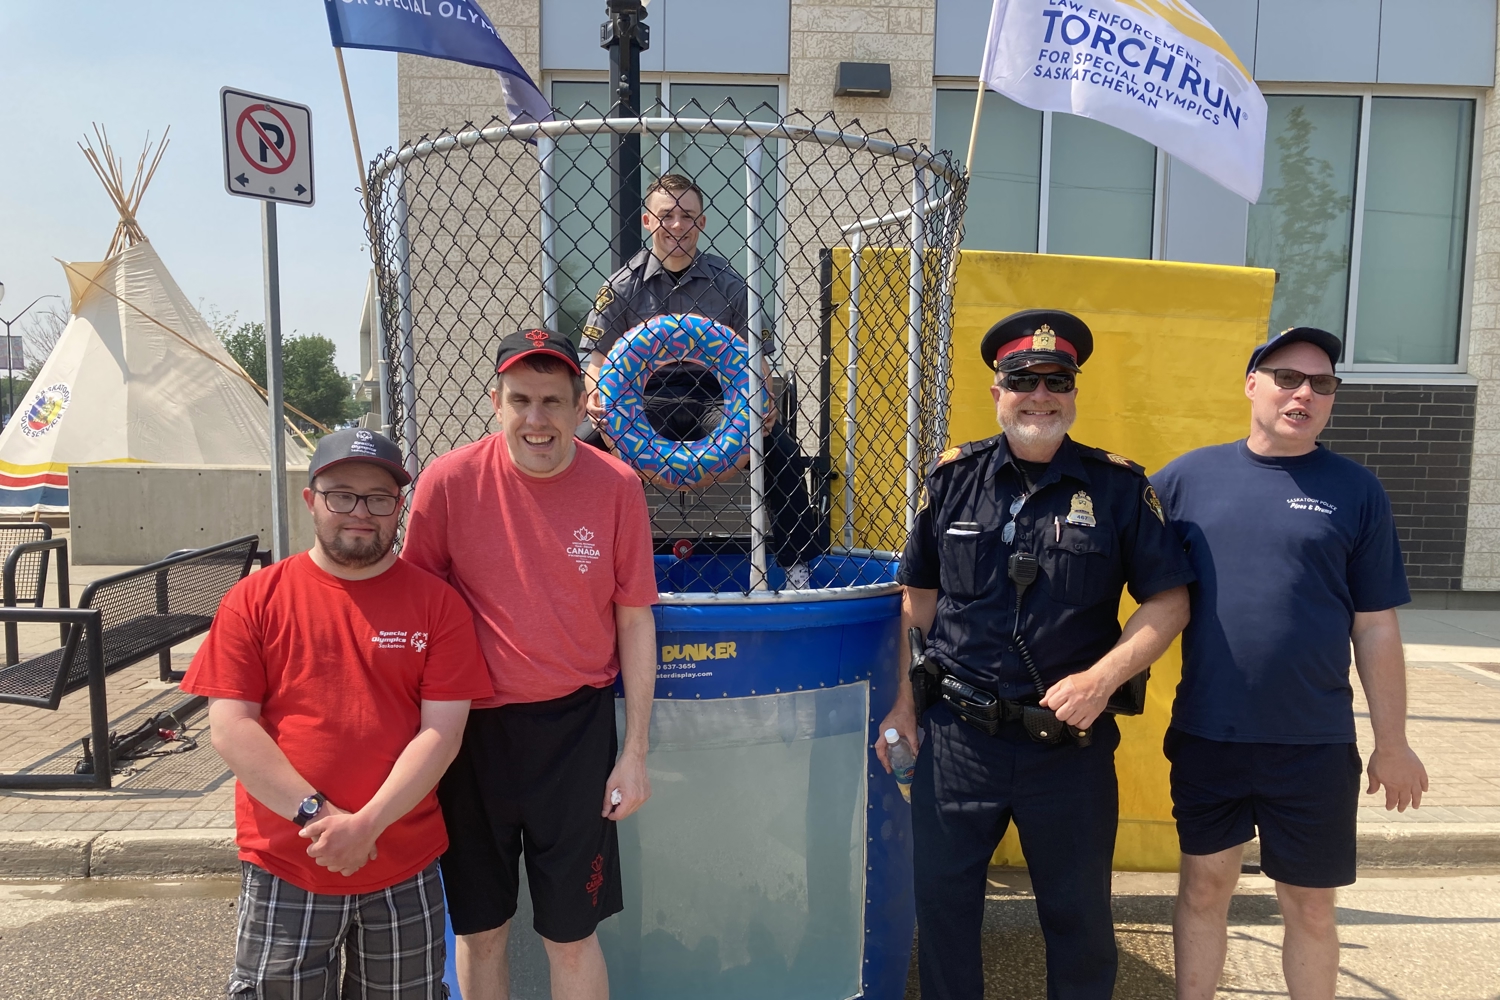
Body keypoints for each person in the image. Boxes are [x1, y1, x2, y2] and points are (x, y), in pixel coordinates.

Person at [876, 309, 1195, 1000]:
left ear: (1074, 394)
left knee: (1078, 921)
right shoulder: (953, 479)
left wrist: (1102, 679)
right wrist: (902, 704)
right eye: (1023, 379)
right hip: (959, 739)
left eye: (1057, 380)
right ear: (998, 391)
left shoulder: (1116, 489)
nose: (1040, 394)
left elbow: (1169, 603)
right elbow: (917, 599)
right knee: (946, 914)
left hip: (1069, 747)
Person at [1153, 327, 1429, 1000]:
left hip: (1312, 743)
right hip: (1209, 734)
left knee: (1308, 906)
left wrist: (1392, 743)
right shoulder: (1185, 479)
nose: (1304, 393)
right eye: (1286, 377)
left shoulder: (1356, 491)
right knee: (1205, 887)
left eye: (1322, 383)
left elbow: (1375, 627)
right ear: (1252, 384)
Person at [181, 428, 492, 1000]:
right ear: (311, 500)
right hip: (288, 859)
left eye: (379, 498)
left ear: (399, 506)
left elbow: (442, 733)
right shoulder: (256, 598)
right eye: (341, 495)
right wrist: (319, 818)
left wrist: (366, 826)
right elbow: (230, 727)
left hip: (402, 860)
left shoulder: (437, 604)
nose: (360, 512)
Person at [400, 329, 659, 1000]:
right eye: (520, 400)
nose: (536, 419)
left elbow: (635, 618)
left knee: (570, 937)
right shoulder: (448, 482)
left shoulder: (617, 486)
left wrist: (633, 752)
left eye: (552, 401)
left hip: (573, 732)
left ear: (581, 406)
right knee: (480, 931)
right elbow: (414, 612)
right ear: (495, 402)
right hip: (471, 736)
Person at [579, 172, 820, 587]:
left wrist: (763, 403)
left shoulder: (730, 285)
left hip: (714, 399)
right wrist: (597, 392)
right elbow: (594, 355)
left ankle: (796, 565)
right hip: (644, 400)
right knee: (580, 447)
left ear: (703, 222)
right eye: (667, 215)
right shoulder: (621, 286)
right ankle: (581, 557)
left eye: (687, 215)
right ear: (648, 221)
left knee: (778, 447)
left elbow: (753, 356)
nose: (678, 225)